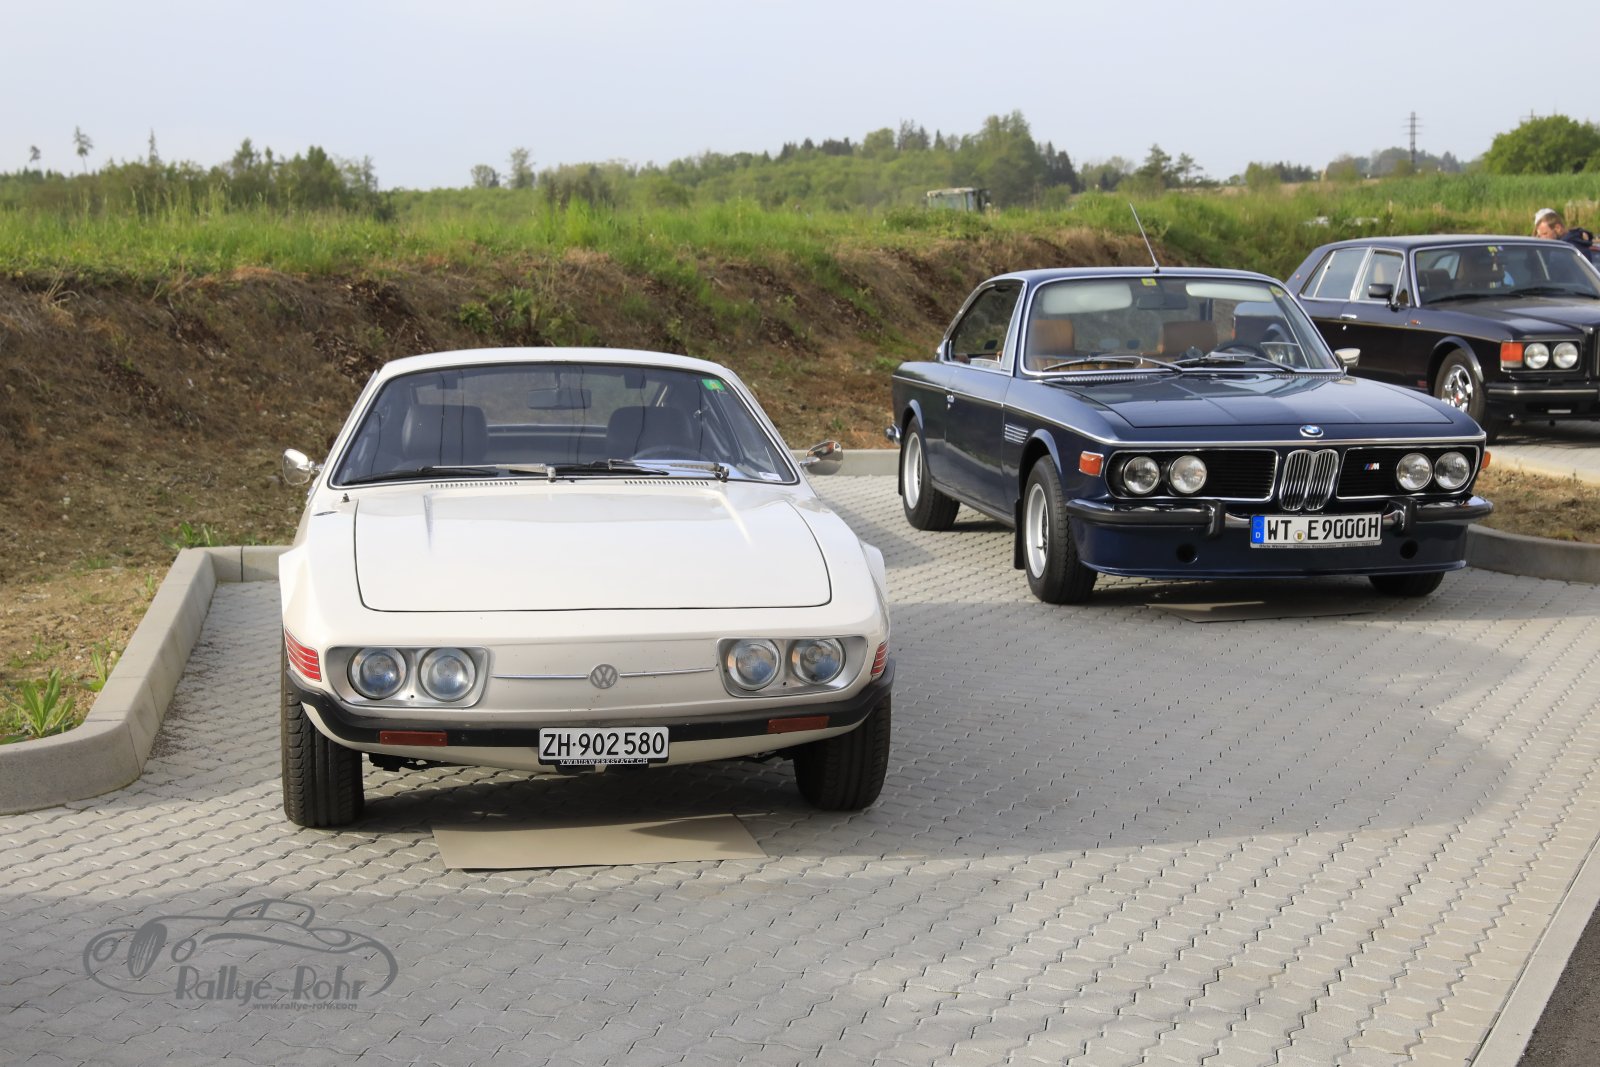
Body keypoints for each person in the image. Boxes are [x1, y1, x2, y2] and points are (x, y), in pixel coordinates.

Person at [1533, 208, 1600, 264]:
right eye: (1539, 236)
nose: (1541, 238)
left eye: (1545, 234)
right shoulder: (1577, 241)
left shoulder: (1563, 251)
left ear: (1558, 228)